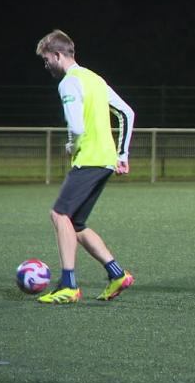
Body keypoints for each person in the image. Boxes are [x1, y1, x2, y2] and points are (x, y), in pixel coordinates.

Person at [35, 29, 136, 304]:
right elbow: (127, 112)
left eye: (46, 60)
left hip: (89, 158)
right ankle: (117, 274)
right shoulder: (94, 78)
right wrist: (122, 153)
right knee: (76, 223)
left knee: (59, 215)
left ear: (57, 55)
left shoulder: (68, 83)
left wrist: (72, 143)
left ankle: (69, 285)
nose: (46, 66)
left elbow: (77, 125)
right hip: (105, 159)